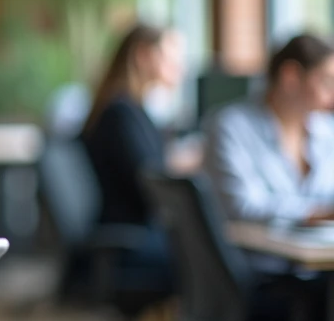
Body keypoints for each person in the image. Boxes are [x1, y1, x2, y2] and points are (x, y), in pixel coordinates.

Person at [204, 33, 334, 225]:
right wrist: (314, 214)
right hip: (260, 251)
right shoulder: (231, 127)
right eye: (327, 81)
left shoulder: (326, 129)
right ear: (290, 77)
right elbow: (242, 206)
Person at [81, 23, 186, 227]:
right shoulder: (120, 113)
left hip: (138, 227)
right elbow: (148, 184)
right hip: (132, 230)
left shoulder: (131, 109)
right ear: (143, 55)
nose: (179, 65)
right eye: (169, 55)